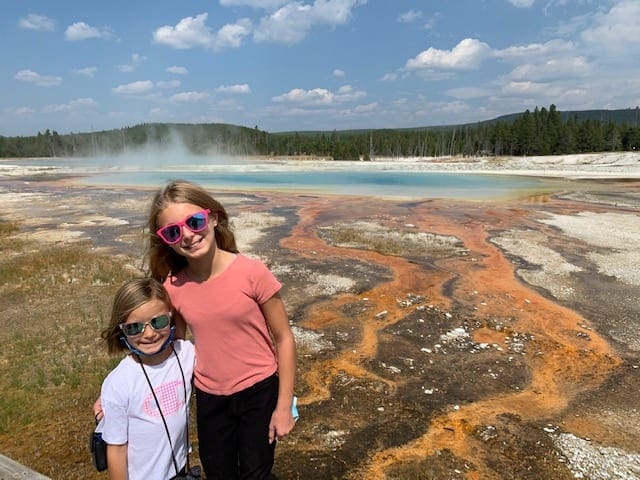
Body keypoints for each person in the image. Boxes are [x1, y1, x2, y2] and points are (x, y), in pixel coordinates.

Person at [147, 179, 297, 479]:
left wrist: (283, 407)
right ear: (165, 240)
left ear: (212, 217)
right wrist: (116, 390)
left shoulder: (252, 272)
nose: (188, 235)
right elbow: (169, 349)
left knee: (257, 473)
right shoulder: (173, 288)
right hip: (210, 398)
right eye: (174, 231)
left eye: (195, 222)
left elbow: (284, 339)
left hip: (259, 392)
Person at [99, 277, 196, 480]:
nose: (149, 334)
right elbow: (116, 450)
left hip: (180, 472)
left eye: (158, 322)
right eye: (135, 327)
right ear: (121, 329)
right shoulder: (118, 383)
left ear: (171, 317)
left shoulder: (186, 355)